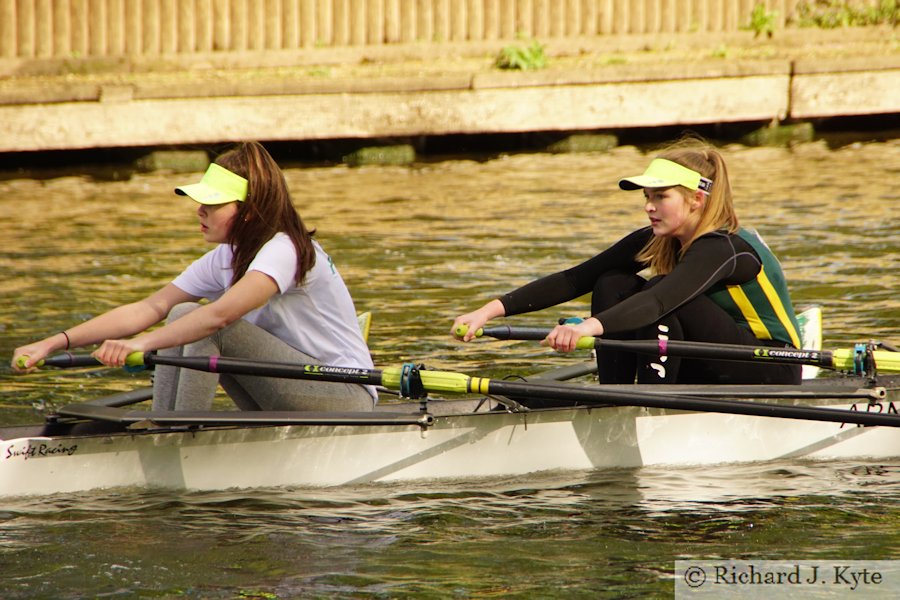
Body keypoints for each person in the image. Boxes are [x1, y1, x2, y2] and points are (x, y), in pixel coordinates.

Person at [13, 141, 376, 411]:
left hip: (343, 394)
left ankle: (181, 432)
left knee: (201, 320)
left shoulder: (285, 249)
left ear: (249, 211)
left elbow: (221, 316)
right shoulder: (224, 257)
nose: (200, 211)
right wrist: (54, 341)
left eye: (214, 203)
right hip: (291, 389)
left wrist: (144, 344)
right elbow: (150, 307)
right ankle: (168, 424)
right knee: (178, 313)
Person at [452, 138, 802, 385]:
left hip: (768, 366)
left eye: (661, 196)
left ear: (696, 199)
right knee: (612, 282)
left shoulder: (724, 247)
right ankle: (614, 395)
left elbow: (658, 300)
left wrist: (586, 327)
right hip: (711, 358)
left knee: (661, 289)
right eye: (647, 197)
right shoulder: (660, 238)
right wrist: (488, 311)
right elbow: (576, 279)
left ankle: (648, 403)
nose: (649, 206)